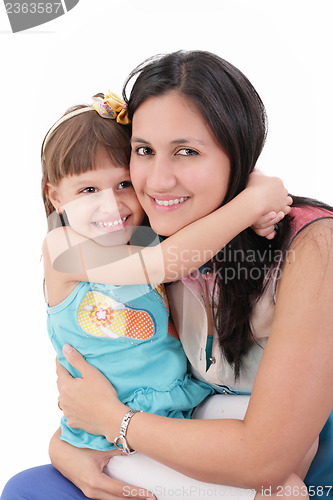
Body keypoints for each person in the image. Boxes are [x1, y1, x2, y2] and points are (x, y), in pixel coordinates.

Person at [2, 50, 332, 499]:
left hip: (250, 453)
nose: (156, 182)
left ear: (238, 153)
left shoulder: (312, 246)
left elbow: (267, 457)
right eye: (143, 151)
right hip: (161, 432)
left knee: (287, 485)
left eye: (186, 151)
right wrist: (69, 446)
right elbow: (98, 372)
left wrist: (114, 422)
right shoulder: (133, 241)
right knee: (26, 487)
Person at [41, 92, 289, 453]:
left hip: (179, 405)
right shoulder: (60, 248)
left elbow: (214, 180)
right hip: (111, 433)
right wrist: (252, 204)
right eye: (89, 189)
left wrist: (259, 188)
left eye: (124, 184)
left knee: (289, 444)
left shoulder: (146, 237)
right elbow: (167, 262)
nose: (111, 203)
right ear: (56, 197)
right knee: (285, 488)